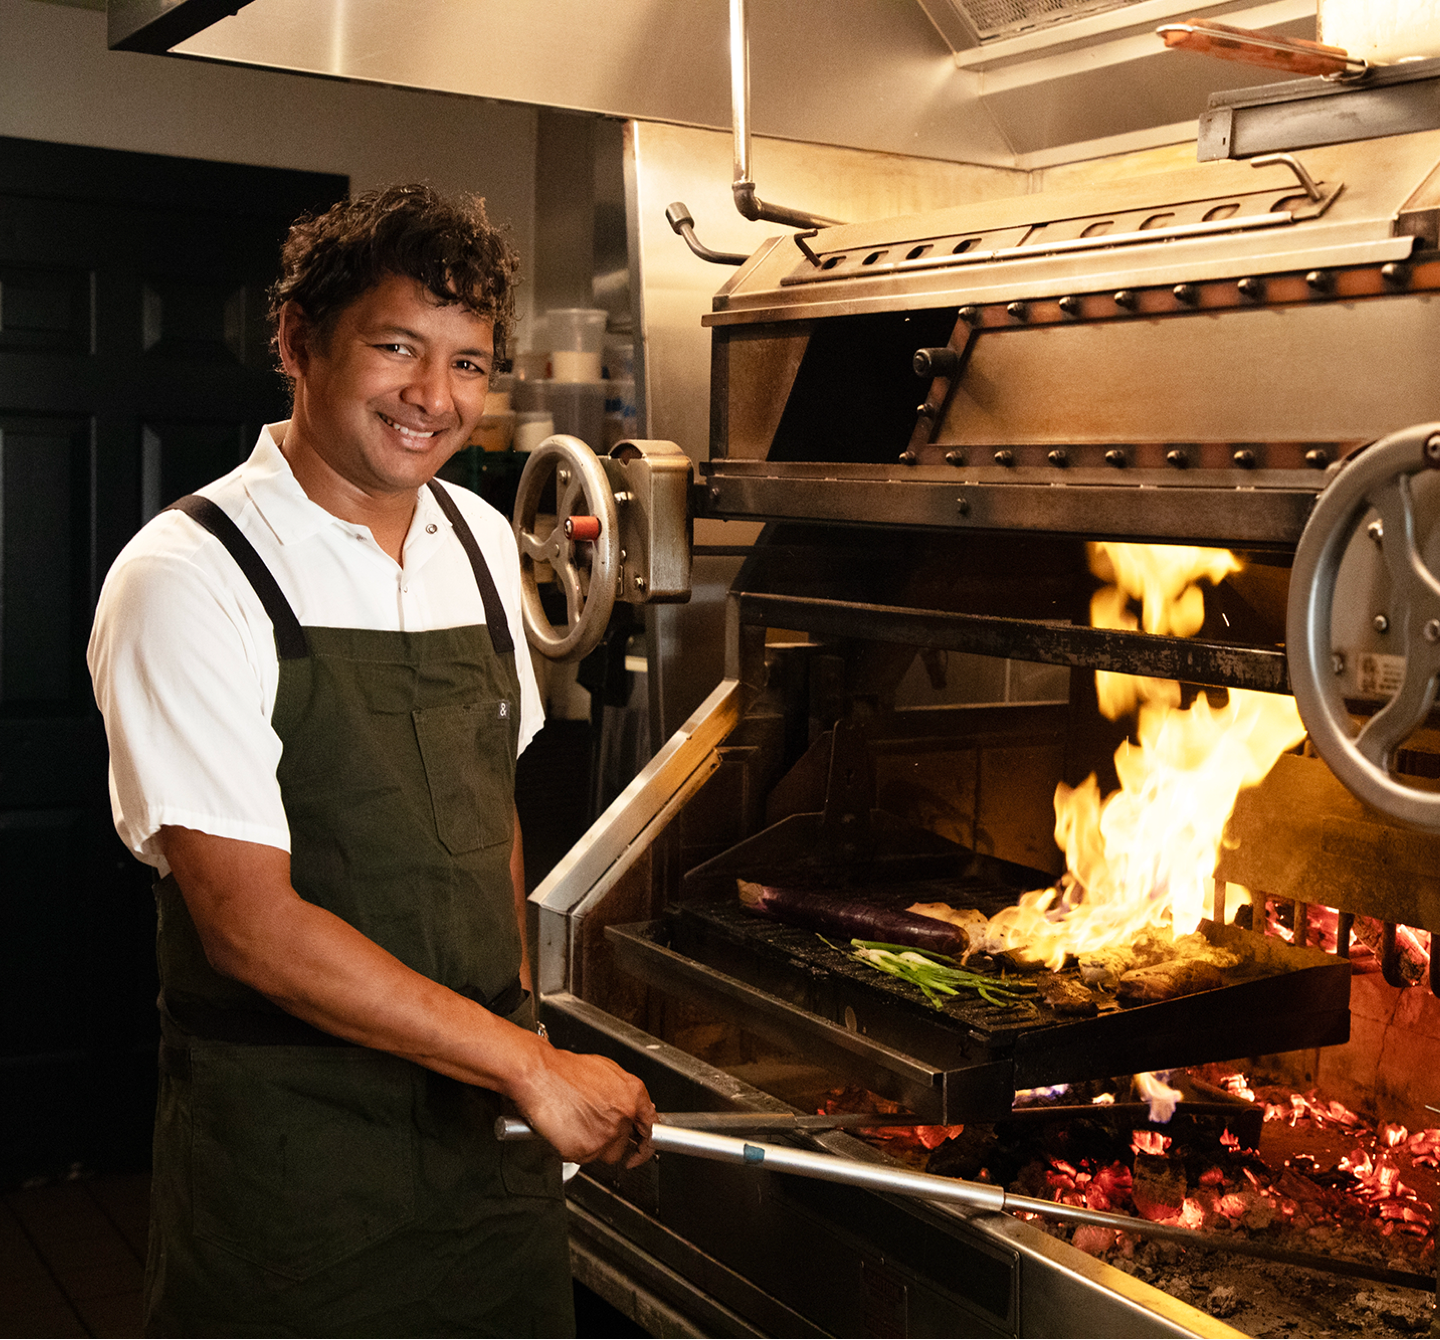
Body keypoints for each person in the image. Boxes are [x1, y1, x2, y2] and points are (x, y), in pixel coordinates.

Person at [88, 184, 656, 1338]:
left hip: (486, 1142)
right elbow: (249, 925)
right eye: (398, 348)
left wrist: (523, 1029)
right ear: (298, 340)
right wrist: (528, 1065)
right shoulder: (187, 575)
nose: (434, 399)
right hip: (299, 1164)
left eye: (469, 364)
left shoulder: (482, 538)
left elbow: (485, 802)